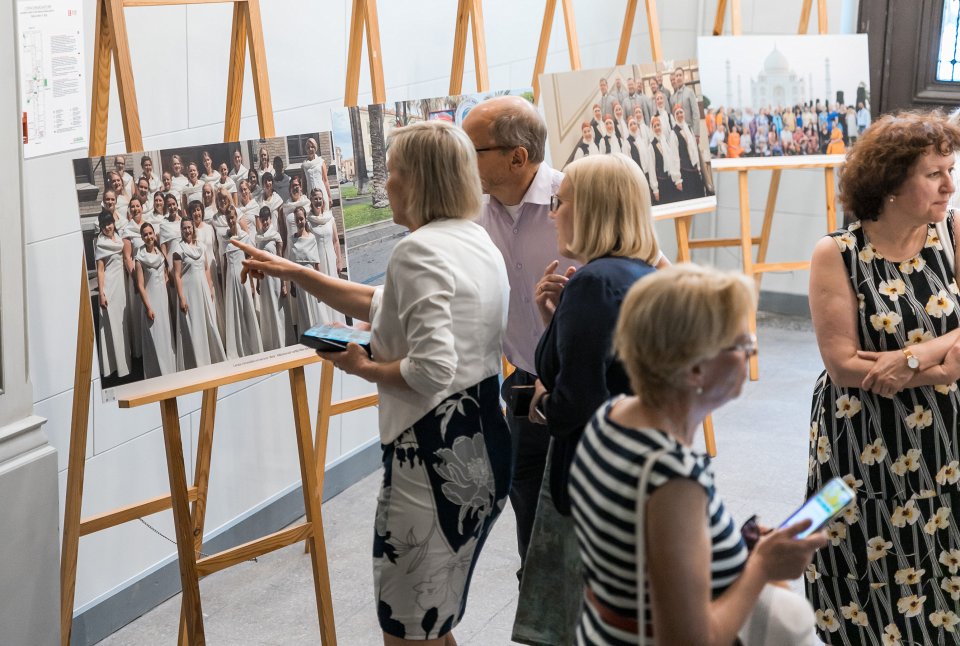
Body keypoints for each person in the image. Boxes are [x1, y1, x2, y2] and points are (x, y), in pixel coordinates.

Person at [234, 120, 511, 645]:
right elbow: (381, 303)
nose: (385, 185)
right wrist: (293, 272)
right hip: (482, 443)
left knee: (405, 630)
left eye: (394, 173)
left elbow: (431, 371)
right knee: (432, 622)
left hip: (429, 458)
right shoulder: (474, 240)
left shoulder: (417, 252)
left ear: (418, 181)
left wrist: (363, 367)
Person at [571, 264, 826, 644]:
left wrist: (738, 549)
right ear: (694, 369)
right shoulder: (671, 477)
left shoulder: (611, 416)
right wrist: (762, 566)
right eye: (742, 345)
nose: (751, 353)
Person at [806, 112, 960, 643]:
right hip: (860, 433)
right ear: (892, 183)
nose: (949, 185)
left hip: (944, 438)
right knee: (861, 553)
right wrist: (941, 363)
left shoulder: (954, 233)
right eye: (934, 173)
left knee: (941, 557)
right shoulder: (837, 253)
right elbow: (843, 363)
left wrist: (913, 360)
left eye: (951, 169)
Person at [516, 153, 666, 644]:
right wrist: (552, 322)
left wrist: (540, 402)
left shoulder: (595, 283)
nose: (554, 213)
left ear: (594, 209)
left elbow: (578, 404)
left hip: (592, 483)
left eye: (561, 202)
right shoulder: (639, 275)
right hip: (633, 473)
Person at [462, 96, 572, 591]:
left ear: (517, 157)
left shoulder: (575, 198)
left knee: (586, 503)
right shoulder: (472, 218)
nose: (463, 160)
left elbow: (651, 273)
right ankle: (539, 595)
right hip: (525, 382)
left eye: (473, 149)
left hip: (589, 385)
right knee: (526, 493)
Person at [173, 218, 226, 370]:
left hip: (203, 289)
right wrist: (182, 297)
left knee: (208, 322)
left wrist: (210, 287)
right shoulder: (178, 249)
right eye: (184, 228)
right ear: (181, 230)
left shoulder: (201, 247)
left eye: (189, 228)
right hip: (189, 293)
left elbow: (206, 269)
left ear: (193, 229)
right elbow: (177, 275)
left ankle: (213, 358)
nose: (187, 231)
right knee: (194, 326)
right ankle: (197, 362)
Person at [135, 222, 175, 378]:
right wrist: (148, 307)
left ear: (154, 234)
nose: (148, 237)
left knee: (166, 334)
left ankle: (170, 370)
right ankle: (157, 373)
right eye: (145, 234)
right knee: (155, 336)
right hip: (151, 300)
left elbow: (165, 276)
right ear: (142, 237)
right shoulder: (139, 258)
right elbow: (140, 285)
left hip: (163, 298)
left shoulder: (160, 253)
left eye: (150, 233)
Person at [95, 210, 132, 378]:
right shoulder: (100, 243)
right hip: (109, 287)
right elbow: (100, 271)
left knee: (123, 323)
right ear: (101, 227)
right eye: (104, 225)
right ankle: (116, 365)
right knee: (113, 324)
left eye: (109, 223)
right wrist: (102, 293)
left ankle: (126, 361)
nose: (107, 227)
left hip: (121, 286)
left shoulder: (118, 238)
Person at [221, 206, 262, 358]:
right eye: (228, 218)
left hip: (243, 278)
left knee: (247, 310)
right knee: (235, 313)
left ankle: (253, 346)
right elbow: (225, 263)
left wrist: (251, 284)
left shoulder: (244, 237)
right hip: (231, 280)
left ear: (236, 217)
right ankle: (238, 347)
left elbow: (250, 261)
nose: (231, 220)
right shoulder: (226, 239)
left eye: (232, 217)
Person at [287, 206, 330, 333]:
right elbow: (290, 265)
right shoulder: (292, 239)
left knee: (315, 309)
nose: (300, 222)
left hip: (311, 279)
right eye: (297, 219)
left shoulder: (311, 238)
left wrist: (319, 284)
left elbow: (316, 264)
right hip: (299, 282)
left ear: (305, 219)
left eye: (301, 219)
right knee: (304, 311)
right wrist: (292, 284)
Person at [253, 206, 287, 351]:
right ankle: (270, 344)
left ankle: (280, 342)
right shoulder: (258, 237)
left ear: (270, 219)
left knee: (276, 308)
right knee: (267, 309)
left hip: (275, 277)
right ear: (260, 220)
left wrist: (284, 284)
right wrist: (258, 282)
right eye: (263, 220)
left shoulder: (276, 236)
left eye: (267, 219)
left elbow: (280, 260)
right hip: (264, 278)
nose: (265, 222)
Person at [306, 188, 346, 285]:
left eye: (320, 198)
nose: (318, 201)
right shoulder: (308, 221)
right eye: (315, 199)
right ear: (311, 200)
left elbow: (336, 241)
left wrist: (339, 261)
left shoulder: (330, 218)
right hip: (318, 261)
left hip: (331, 258)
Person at [673, 105, 705, 199]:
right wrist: (678, 179)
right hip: (685, 171)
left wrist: (698, 166)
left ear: (684, 114)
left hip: (694, 168)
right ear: (675, 116)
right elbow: (674, 157)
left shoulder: (689, 128)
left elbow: (694, 149)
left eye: (681, 112)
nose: (679, 115)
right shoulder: (673, 133)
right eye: (677, 113)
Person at [651, 116, 683, 203]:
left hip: (671, 180)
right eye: (655, 126)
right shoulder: (651, 146)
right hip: (662, 183)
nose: (657, 128)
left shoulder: (666, 141)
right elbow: (651, 169)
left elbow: (673, 160)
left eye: (658, 125)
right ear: (652, 129)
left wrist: (677, 180)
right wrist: (655, 189)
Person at [302, 136, 333, 207]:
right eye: (308, 147)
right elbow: (304, 184)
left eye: (312, 147)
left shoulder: (321, 162)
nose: (310, 149)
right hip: (310, 193)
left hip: (321, 191)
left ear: (315, 148)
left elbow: (325, 180)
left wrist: (329, 196)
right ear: (306, 149)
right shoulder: (304, 165)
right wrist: (303, 199)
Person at [669, 66, 700, 138]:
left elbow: (696, 114)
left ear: (683, 77)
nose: (678, 77)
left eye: (680, 75)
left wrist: (696, 134)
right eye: (677, 76)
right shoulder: (672, 98)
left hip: (690, 131)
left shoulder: (690, 92)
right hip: (680, 134)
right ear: (675, 79)